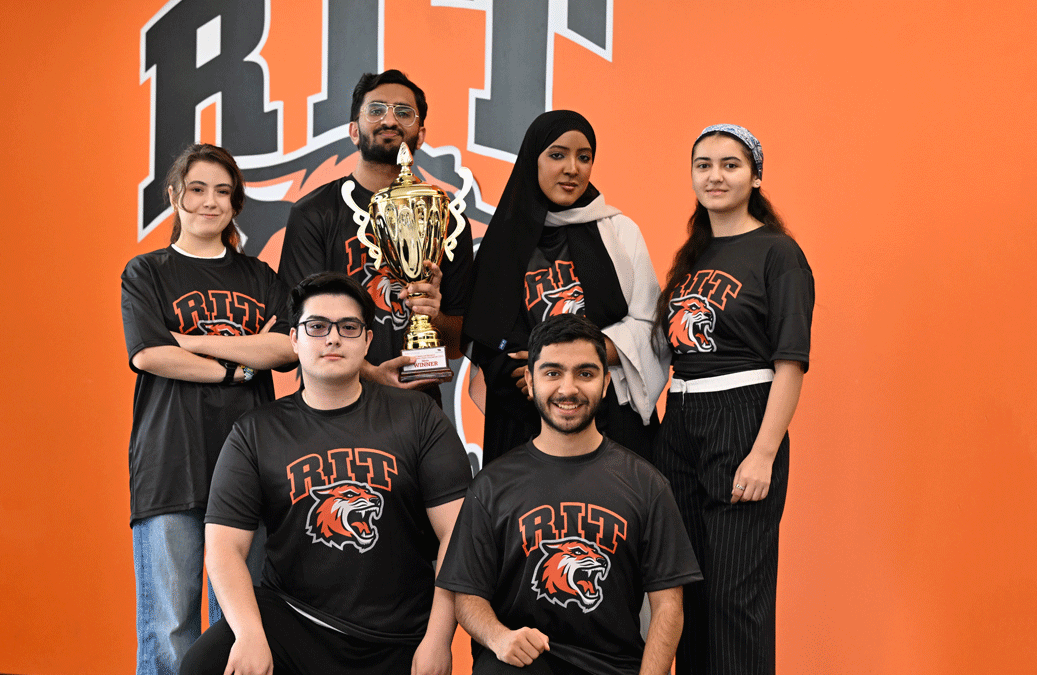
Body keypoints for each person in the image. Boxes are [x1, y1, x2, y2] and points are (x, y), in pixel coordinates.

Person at [180, 272, 473, 675]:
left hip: (396, 635)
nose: (333, 338)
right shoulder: (256, 432)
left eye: (348, 327)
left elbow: (456, 536)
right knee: (204, 664)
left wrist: (438, 640)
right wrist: (249, 634)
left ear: (367, 341)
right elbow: (224, 548)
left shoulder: (419, 417)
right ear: (294, 340)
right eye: (317, 327)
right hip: (294, 621)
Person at [438, 314, 702, 675]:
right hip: (520, 667)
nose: (568, 389)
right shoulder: (491, 485)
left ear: (606, 383)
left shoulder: (647, 485)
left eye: (585, 373)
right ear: (530, 380)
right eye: (552, 373)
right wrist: (499, 637)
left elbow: (669, 605)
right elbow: (467, 595)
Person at [121, 143, 295, 675]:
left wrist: (191, 342)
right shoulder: (147, 272)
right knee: (169, 627)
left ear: (236, 203)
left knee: (238, 630)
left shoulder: (260, 277)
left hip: (247, 469)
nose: (210, 202)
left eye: (223, 192)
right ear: (175, 195)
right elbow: (150, 355)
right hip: (169, 464)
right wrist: (236, 367)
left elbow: (285, 348)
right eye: (197, 189)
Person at [653, 124, 814, 675]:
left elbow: (790, 362)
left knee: (735, 600)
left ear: (756, 177)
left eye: (730, 165)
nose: (715, 176)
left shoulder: (778, 253)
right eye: (703, 165)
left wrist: (763, 452)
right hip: (681, 421)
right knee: (687, 595)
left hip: (743, 419)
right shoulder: (693, 255)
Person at [463, 110, 668, 468]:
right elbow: (485, 336)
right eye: (557, 155)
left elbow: (650, 327)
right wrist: (534, 376)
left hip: (610, 418)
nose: (572, 168)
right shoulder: (501, 242)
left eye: (584, 157)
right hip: (521, 418)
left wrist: (570, 364)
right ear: (533, 160)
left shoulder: (619, 231)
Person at [275, 69, 473, 395]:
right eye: (376, 110)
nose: (390, 120)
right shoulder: (314, 213)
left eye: (404, 113)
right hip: (335, 406)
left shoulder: (446, 218)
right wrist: (370, 373)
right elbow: (298, 329)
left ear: (421, 135)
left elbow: (454, 346)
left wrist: (432, 315)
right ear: (354, 131)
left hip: (418, 406)